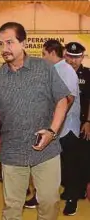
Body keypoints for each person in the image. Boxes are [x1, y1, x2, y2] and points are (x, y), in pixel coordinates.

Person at [0, 22, 72, 220]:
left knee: (49, 202)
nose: (4, 49)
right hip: (12, 151)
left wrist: (52, 132)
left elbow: (62, 99)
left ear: (23, 42)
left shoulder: (43, 68)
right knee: (12, 208)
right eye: (1, 44)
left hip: (46, 149)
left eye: (10, 42)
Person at [25, 39, 81, 216]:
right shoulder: (52, 70)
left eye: (43, 53)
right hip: (51, 128)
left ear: (51, 52)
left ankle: (71, 199)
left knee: (69, 166)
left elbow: (69, 100)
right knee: (45, 164)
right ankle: (40, 196)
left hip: (66, 129)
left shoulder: (66, 71)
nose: (42, 57)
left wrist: (56, 126)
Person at [65, 42, 90, 200]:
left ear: (82, 57)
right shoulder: (58, 73)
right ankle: (67, 188)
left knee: (83, 158)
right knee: (65, 158)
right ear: (65, 55)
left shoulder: (88, 75)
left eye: (77, 57)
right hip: (63, 124)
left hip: (82, 125)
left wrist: (88, 121)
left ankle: (80, 189)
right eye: (70, 56)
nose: (73, 61)